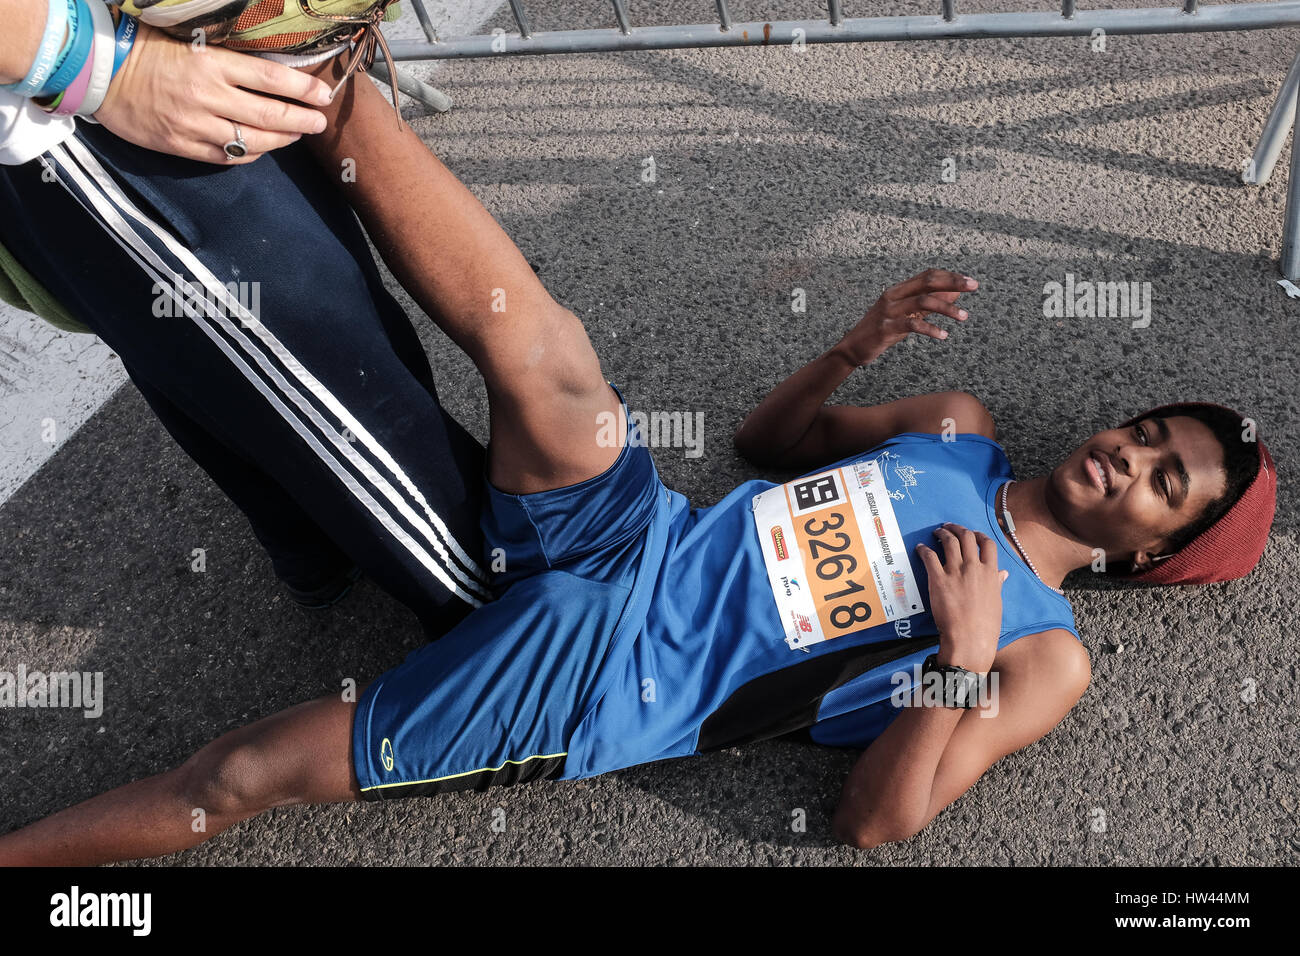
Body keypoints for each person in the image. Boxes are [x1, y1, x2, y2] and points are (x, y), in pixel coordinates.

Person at [0, 63, 1276, 864]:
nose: (1129, 456)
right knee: (555, 359)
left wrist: (954, 657)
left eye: (1164, 482)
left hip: (601, 682)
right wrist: (851, 345)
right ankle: (326, 70)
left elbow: (875, 822)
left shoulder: (1042, 649)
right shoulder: (958, 424)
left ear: (1155, 553)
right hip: (643, 536)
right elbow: (762, 449)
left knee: (235, 777)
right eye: (1147, 433)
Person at [0, 1, 490, 627]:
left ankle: (313, 546)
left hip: (112, 55)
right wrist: (92, 63)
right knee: (324, 362)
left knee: (207, 350)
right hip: (80, 83)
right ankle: (513, 619)